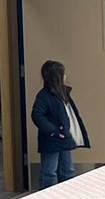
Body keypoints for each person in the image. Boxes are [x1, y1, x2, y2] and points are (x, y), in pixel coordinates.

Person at [31, 60, 90, 188]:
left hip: (63, 138)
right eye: (63, 74)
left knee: (68, 171)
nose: (65, 76)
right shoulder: (44, 96)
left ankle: (66, 196)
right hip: (51, 139)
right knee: (49, 173)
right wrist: (53, 131)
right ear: (57, 77)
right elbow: (37, 116)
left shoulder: (62, 94)